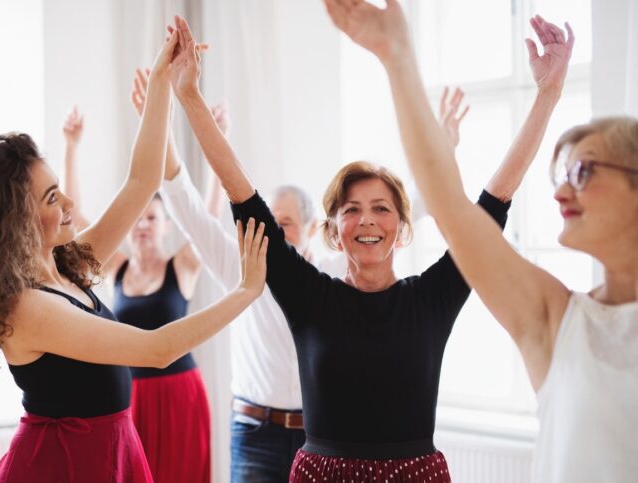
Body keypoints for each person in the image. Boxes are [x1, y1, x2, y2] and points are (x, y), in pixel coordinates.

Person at [166, 12, 570, 482]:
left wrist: (547, 95)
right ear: (335, 230)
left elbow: (495, 201)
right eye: (352, 209)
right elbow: (244, 198)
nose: (367, 220)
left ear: (402, 227)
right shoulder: (310, 296)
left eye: (381, 208)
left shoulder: (431, 298)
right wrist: (189, 96)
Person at [324, 1, 638, 482]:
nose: (558, 190)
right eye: (561, 173)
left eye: (582, 170)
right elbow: (457, 203)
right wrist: (397, 57)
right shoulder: (558, 318)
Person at [0, 28, 268, 483]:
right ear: (15, 222)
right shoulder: (26, 307)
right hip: (64, 466)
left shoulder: (67, 265)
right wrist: (246, 290)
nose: (70, 205)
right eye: (53, 198)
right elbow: (157, 349)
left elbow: (142, 180)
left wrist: (161, 81)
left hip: (108, 451)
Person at [130, 63, 466, 481]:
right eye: (271, 221)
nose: (272, 230)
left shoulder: (335, 274)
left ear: (313, 230)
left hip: (318, 437)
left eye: (284, 223)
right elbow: (189, 205)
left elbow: (398, 210)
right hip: (255, 431)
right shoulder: (241, 260)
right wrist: (164, 121)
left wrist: (445, 147)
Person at [61, 98, 222, 483]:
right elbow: (75, 225)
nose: (142, 226)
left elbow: (209, 219)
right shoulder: (116, 267)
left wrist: (219, 139)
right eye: (137, 219)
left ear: (167, 226)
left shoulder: (181, 266)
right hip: (130, 398)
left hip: (180, 395)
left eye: (152, 218)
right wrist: (70, 147)